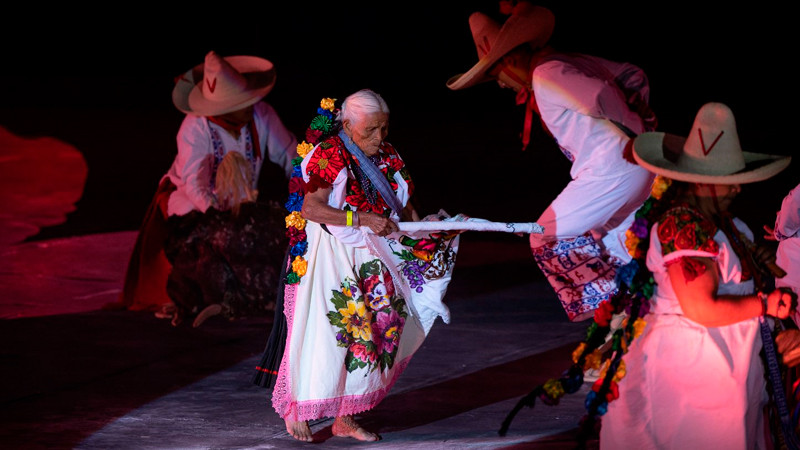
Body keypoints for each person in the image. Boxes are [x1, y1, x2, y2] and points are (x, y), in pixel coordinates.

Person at [257, 89, 460, 442]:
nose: (380, 137)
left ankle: (346, 417)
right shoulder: (329, 154)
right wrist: (362, 219)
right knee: (326, 333)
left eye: (384, 128)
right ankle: (297, 409)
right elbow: (311, 208)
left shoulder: (389, 154)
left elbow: (406, 209)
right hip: (330, 251)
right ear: (348, 125)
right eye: (371, 130)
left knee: (377, 331)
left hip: (373, 251)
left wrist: (435, 228)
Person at [599, 102, 796, 448]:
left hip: (728, 368)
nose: (738, 188)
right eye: (729, 181)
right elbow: (701, 308)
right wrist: (764, 304)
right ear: (702, 182)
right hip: (693, 369)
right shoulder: (682, 225)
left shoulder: (732, 227)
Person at [446, 2, 658, 322]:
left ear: (511, 58)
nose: (502, 85)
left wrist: (632, 131)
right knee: (613, 242)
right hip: (633, 170)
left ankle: (608, 307)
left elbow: (600, 94)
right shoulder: (563, 63)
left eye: (497, 75)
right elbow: (633, 74)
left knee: (544, 235)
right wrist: (641, 128)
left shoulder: (546, 73)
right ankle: (636, 316)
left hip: (612, 170)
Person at [112, 50, 298, 326]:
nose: (250, 104)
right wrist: (220, 216)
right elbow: (194, 184)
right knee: (222, 245)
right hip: (195, 213)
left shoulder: (261, 115)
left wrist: (311, 184)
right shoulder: (195, 128)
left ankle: (262, 297)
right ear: (222, 107)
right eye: (240, 101)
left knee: (277, 233)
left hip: (238, 212)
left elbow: (289, 154)